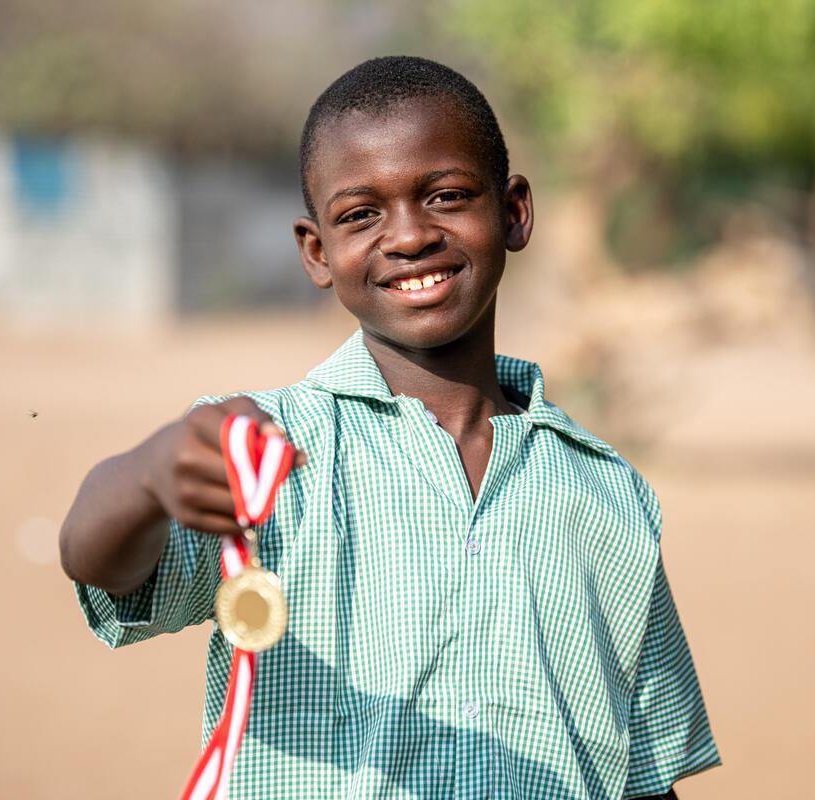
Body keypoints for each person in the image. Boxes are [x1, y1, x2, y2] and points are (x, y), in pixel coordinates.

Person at [60, 55, 719, 799]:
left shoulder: (607, 491)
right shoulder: (264, 454)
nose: (409, 237)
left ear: (514, 212)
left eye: (444, 196)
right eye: (361, 214)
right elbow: (96, 560)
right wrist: (149, 475)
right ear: (317, 252)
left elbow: (644, 773)